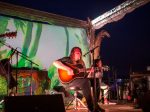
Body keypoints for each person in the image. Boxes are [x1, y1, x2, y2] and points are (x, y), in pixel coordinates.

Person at [53, 47, 101, 112]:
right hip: (68, 82)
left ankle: (96, 105)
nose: (80, 54)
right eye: (77, 53)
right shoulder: (67, 59)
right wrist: (68, 69)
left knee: (96, 81)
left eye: (80, 53)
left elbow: (84, 76)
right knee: (85, 82)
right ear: (72, 53)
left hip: (79, 81)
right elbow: (55, 62)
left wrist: (90, 72)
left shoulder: (81, 63)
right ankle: (91, 108)